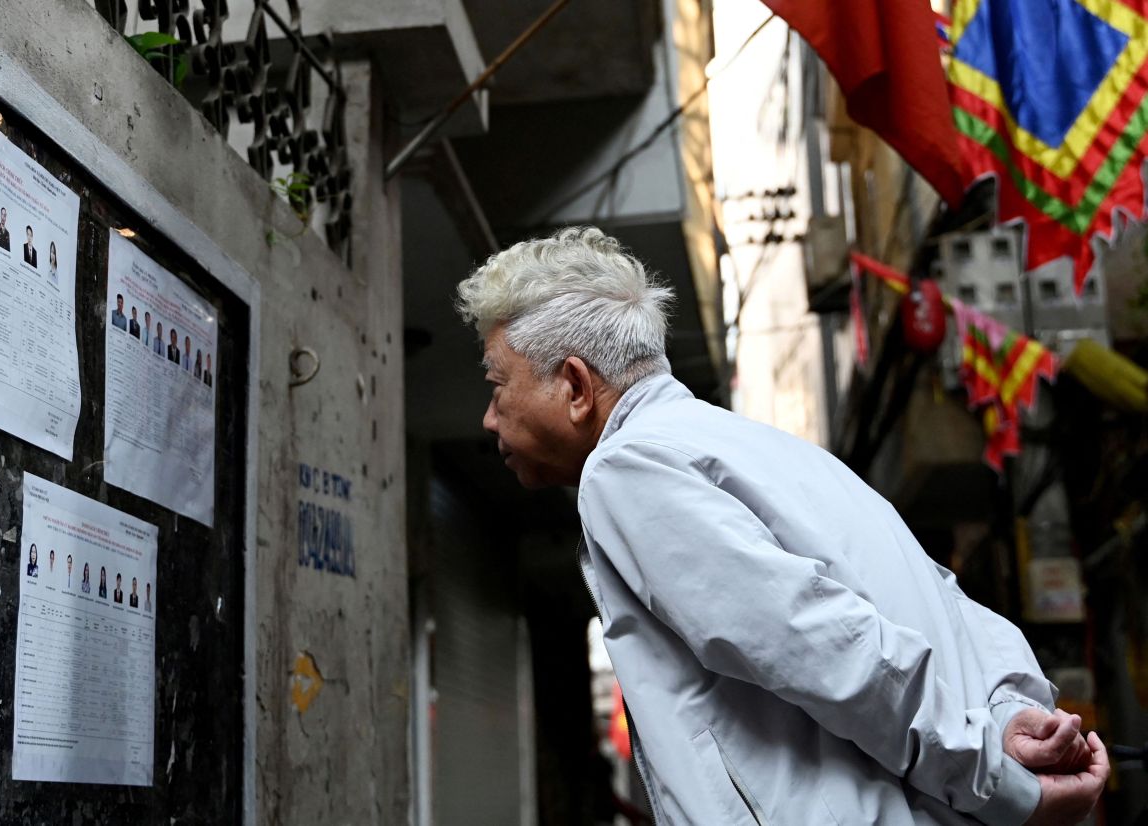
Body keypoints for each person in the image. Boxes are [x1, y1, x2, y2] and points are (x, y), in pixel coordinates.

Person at [455, 227, 1109, 826]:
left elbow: (818, 644)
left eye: (497, 385)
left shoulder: (624, 469)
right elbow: (955, 610)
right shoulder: (775, 452)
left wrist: (1003, 782)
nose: (490, 419)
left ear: (574, 385)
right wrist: (1009, 718)